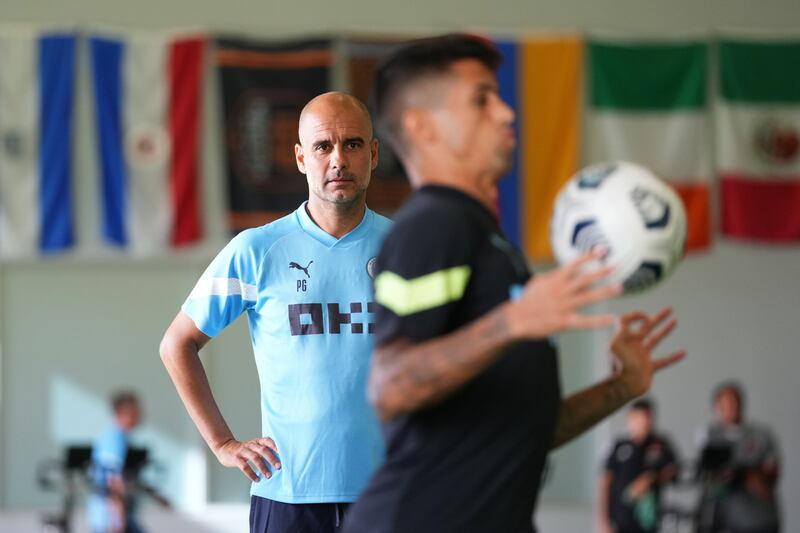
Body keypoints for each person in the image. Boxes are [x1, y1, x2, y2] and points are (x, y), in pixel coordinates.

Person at [343, 34, 686, 533]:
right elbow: (389, 386)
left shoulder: (485, 237)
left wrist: (621, 388)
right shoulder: (433, 226)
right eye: (482, 99)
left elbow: (516, 433)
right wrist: (512, 321)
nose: (506, 112)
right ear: (423, 129)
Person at [159, 92, 392, 533]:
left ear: (374, 153)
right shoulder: (257, 249)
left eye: (354, 144)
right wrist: (223, 443)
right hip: (287, 496)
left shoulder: (411, 248)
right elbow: (177, 344)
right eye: (323, 146)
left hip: (391, 494)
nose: (339, 159)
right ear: (302, 158)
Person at [696, 382, 781, 533]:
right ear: (716, 407)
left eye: (733, 403)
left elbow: (771, 478)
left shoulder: (761, 435)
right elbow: (704, 476)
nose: (729, 408)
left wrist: (743, 473)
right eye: (723, 405)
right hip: (721, 519)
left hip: (757, 519)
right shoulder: (709, 436)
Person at [598, 398, 679, 533]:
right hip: (620, 520)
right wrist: (603, 521)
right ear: (631, 418)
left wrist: (651, 479)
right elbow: (605, 482)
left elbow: (673, 470)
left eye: (648, 418)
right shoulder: (618, 446)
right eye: (641, 418)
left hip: (648, 519)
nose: (645, 423)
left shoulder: (660, 444)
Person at [87, 391, 144, 533]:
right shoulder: (114, 440)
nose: (140, 415)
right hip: (110, 520)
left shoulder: (118, 437)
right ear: (123, 413)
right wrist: (118, 521)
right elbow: (112, 480)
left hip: (114, 518)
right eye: (135, 411)